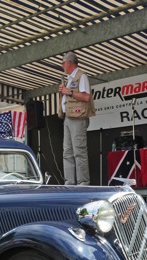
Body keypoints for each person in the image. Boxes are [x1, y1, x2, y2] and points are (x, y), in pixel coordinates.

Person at [58, 52, 95, 186]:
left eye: (63, 62)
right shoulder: (69, 78)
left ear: (70, 63)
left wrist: (69, 92)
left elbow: (86, 97)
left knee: (79, 152)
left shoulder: (81, 76)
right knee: (67, 152)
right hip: (68, 118)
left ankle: (83, 184)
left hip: (78, 118)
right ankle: (69, 183)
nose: (62, 65)